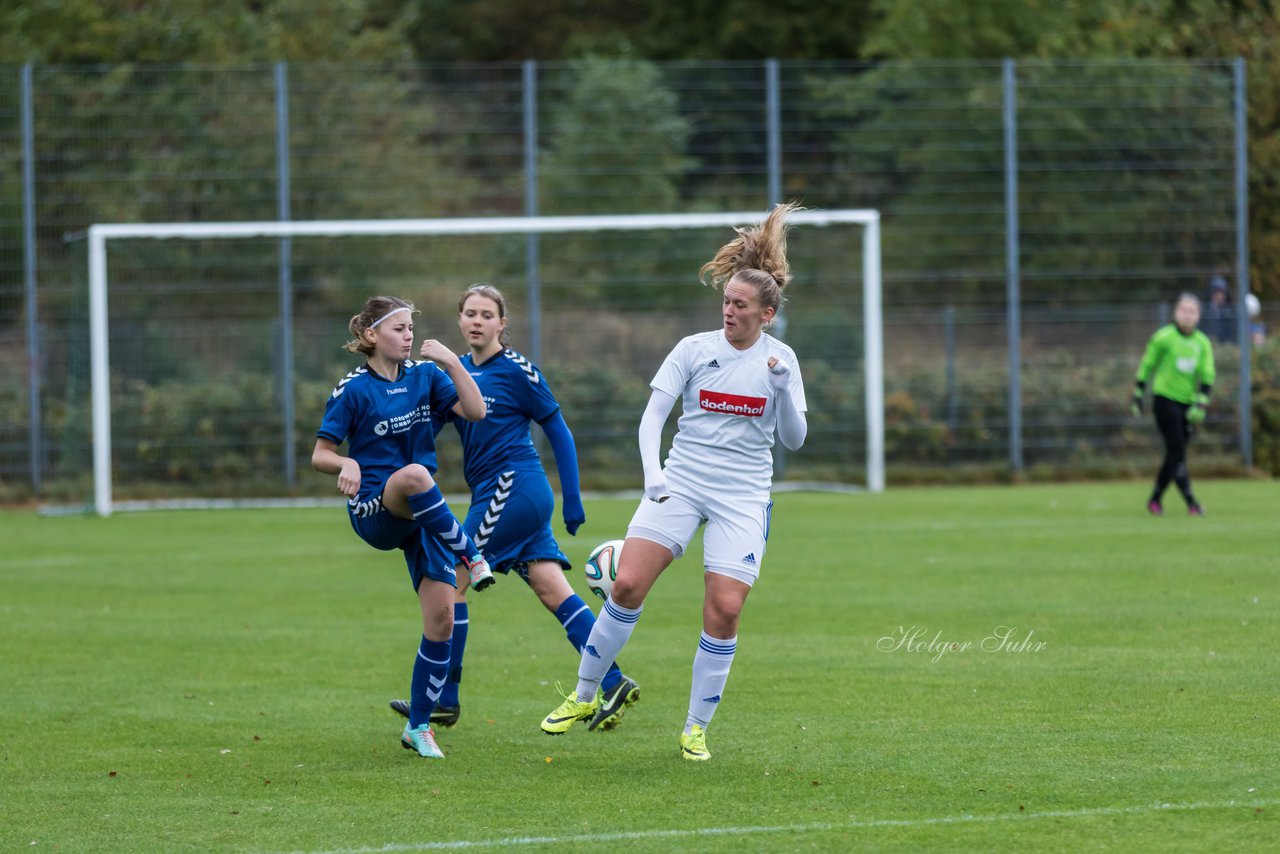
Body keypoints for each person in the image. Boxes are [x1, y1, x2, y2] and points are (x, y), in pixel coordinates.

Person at [537, 203, 809, 761]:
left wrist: (781, 390)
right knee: (627, 585)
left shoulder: (782, 361)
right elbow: (653, 417)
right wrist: (653, 475)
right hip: (680, 481)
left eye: (740, 305)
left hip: (743, 496)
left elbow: (796, 440)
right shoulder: (694, 349)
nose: (728, 311)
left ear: (768, 313)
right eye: (726, 301)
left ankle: (694, 728)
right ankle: (586, 694)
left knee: (725, 610)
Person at [388, 284, 641, 732]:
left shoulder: (517, 369)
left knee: (450, 579)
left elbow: (557, 428)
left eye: (487, 314)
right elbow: (427, 426)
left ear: (502, 324)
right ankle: (615, 681)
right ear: (460, 319)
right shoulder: (455, 374)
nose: (477, 321)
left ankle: (444, 698)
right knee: (552, 590)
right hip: (501, 492)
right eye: (470, 313)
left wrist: (574, 499)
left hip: (513, 488)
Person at [312, 295, 497, 760]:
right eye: (398, 328)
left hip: (422, 516)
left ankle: (418, 728)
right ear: (372, 336)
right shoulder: (354, 388)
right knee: (418, 475)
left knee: (441, 622)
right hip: (375, 509)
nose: (409, 335)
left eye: (412, 328)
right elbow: (320, 453)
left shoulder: (426, 376)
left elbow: (476, 412)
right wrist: (347, 460)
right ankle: (472, 555)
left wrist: (454, 363)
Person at [1130, 292, 1216, 516]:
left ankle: (1155, 499)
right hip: (1165, 401)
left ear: (1199, 316)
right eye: (1183, 311)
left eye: (1192, 312)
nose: (1187, 316)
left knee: (1173, 454)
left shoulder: (1202, 343)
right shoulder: (1164, 337)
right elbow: (1147, 364)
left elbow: (1207, 375)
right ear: (1175, 313)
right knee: (1177, 449)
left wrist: (1201, 403)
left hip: (1188, 405)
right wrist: (1138, 394)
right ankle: (1192, 503)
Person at [1201, 272, 1236, 344]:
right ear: (1212, 293)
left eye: (1223, 293)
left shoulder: (1229, 311)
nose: (1221, 296)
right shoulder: (1204, 311)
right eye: (1218, 292)